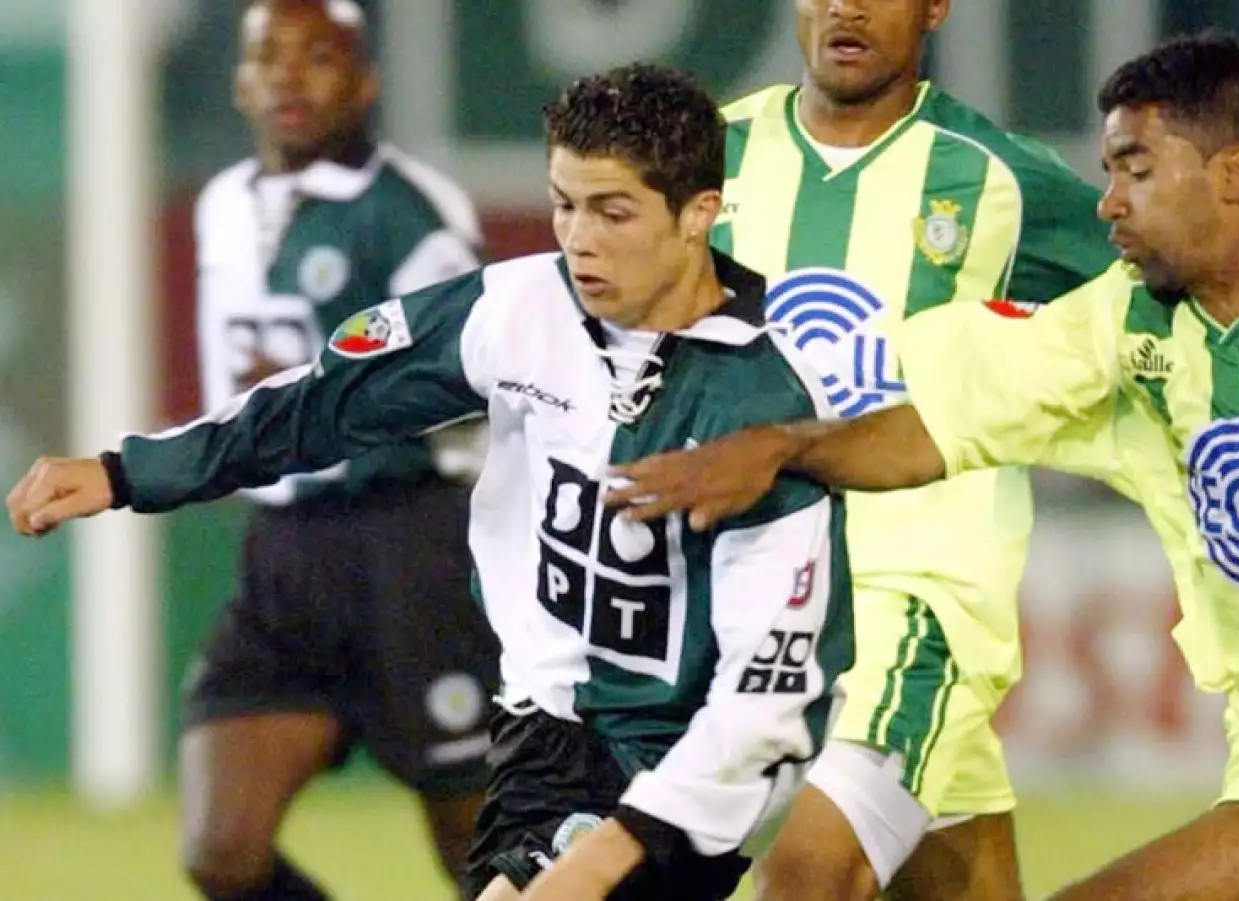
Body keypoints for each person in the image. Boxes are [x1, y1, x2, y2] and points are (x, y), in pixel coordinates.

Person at [605, 32, 1239, 901]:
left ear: (1232, 175)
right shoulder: (1126, 321)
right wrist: (781, 448)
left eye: (1133, 169)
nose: (1107, 204)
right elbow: (935, 429)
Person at [8, 63, 852, 901]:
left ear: (700, 213)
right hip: (544, 737)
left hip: (693, 763)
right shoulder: (516, 310)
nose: (579, 238)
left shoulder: (769, 399)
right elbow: (325, 400)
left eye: (613, 211)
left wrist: (612, 851)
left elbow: (764, 694)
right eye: (564, 204)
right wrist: (128, 472)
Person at [714, 1, 1115, 896]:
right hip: (750, 604)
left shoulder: (1001, 181)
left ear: (935, 6)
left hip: (917, 608)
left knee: (807, 877)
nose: (846, 6)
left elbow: (1166, 291)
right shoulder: (709, 154)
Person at [179, 1, 496, 898]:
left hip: (409, 540)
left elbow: (463, 379)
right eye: (267, 57)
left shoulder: (410, 210)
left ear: (364, 82)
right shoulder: (223, 206)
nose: (288, 74)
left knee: (481, 856)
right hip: (283, 552)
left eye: (318, 56)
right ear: (240, 81)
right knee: (221, 849)